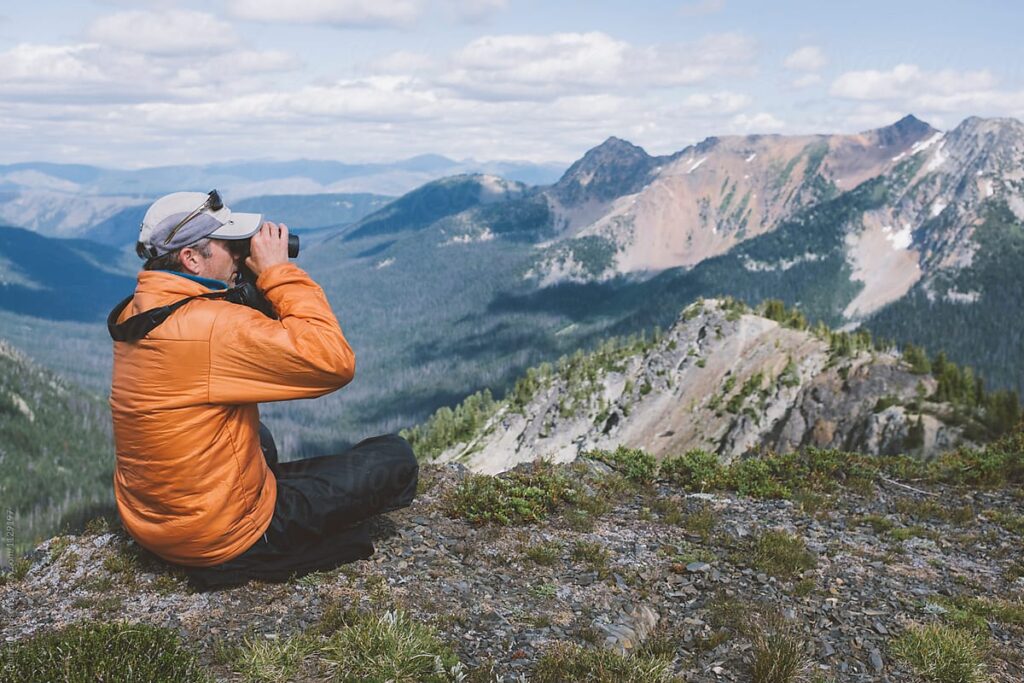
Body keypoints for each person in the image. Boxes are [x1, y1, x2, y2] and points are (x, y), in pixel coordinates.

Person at [108, 190, 418, 590]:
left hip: (154, 523)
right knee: (394, 458)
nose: (239, 255)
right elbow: (333, 362)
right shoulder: (211, 325)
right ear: (191, 259)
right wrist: (276, 272)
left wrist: (244, 285)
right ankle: (255, 553)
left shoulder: (143, 309)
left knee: (261, 440)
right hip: (220, 536)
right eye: (229, 246)